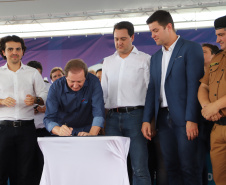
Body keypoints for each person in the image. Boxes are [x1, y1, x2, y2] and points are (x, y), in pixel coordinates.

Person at [141, 10, 204, 185]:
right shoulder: (155, 57)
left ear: (168, 27)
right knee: (170, 168)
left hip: (185, 119)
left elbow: (194, 86)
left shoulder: (191, 48)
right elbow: (152, 90)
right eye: (151, 31)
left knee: (189, 168)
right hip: (162, 120)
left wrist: (191, 118)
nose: (152, 35)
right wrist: (148, 119)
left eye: (155, 30)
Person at [101, 21, 151, 185]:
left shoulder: (145, 59)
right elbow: (103, 92)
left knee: (139, 168)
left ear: (132, 37)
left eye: (123, 38)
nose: (119, 43)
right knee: (113, 167)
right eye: (116, 39)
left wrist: (148, 120)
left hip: (137, 117)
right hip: (112, 118)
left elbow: (151, 92)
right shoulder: (108, 61)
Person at [0, 35, 47, 185]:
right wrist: (1, 101)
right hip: (3, 129)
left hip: (27, 129)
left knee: (25, 172)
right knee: (1, 169)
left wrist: (35, 100)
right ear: (3, 52)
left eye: (18, 49)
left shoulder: (32, 73)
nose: (15, 52)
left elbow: (44, 95)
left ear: (23, 52)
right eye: (10, 49)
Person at [198, 15, 226, 185]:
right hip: (217, 127)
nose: (217, 39)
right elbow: (204, 86)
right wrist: (206, 107)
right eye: (217, 35)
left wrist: (214, 106)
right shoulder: (217, 58)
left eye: (222, 34)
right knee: (219, 179)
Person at [44, 59, 105, 136]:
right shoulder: (56, 87)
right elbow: (49, 118)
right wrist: (58, 130)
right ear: (65, 76)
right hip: (63, 133)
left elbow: (98, 113)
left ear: (85, 77)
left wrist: (91, 134)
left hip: (87, 131)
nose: (75, 86)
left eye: (79, 81)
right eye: (72, 81)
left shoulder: (94, 82)